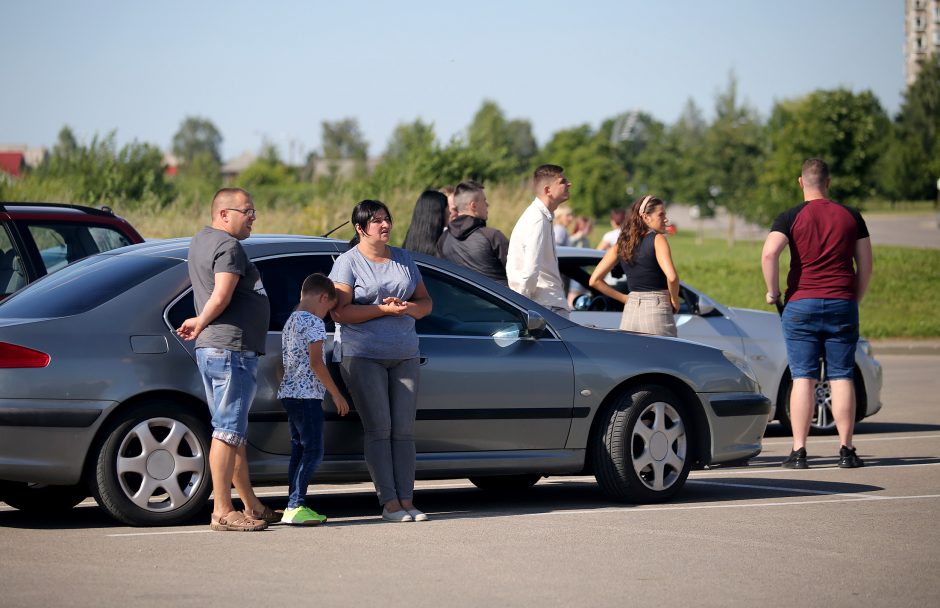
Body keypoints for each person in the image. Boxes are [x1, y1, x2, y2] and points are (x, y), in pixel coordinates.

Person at [176, 187, 279, 532]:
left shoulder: (200, 240)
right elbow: (221, 295)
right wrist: (200, 321)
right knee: (227, 431)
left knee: (233, 430)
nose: (254, 217)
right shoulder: (229, 246)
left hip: (218, 348)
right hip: (230, 348)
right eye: (247, 211)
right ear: (224, 214)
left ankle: (251, 504)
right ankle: (222, 509)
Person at [761, 158, 873, 470]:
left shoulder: (790, 216)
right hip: (841, 302)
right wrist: (854, 298)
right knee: (841, 376)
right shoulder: (851, 216)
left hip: (801, 304)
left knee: (803, 378)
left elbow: (770, 252)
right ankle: (846, 449)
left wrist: (773, 292)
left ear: (801, 182)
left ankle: (799, 451)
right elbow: (866, 265)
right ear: (829, 182)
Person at [329, 200, 433, 522]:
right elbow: (339, 312)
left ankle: (407, 500)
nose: (384, 225)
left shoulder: (403, 258)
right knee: (380, 429)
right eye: (376, 221)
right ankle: (388, 503)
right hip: (363, 356)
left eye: (387, 219)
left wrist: (406, 308)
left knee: (403, 431)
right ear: (360, 229)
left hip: (405, 354)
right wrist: (381, 310)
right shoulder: (348, 263)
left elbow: (426, 303)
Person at [277, 273, 350, 526]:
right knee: (314, 451)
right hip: (308, 396)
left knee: (298, 449)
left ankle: (291, 504)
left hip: (289, 393)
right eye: (328, 309)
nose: (326, 315)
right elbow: (317, 362)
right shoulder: (314, 323)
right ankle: (297, 505)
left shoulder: (291, 320)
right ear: (323, 298)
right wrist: (336, 393)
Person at [588, 195, 680, 337]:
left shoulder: (622, 244)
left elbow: (594, 280)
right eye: (661, 214)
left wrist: (625, 299)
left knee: (631, 358)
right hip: (656, 309)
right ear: (646, 217)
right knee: (665, 357)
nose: (666, 219)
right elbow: (672, 277)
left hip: (630, 312)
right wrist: (674, 301)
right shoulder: (658, 239)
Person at [506, 164, 572, 317]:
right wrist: (522, 306)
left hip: (545, 305)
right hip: (545, 307)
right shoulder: (537, 219)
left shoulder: (541, 216)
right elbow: (530, 271)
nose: (569, 184)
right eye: (562, 181)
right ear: (547, 190)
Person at [436, 180, 510, 284]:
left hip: (460, 300)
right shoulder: (492, 236)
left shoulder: (443, 240)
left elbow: (442, 280)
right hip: (498, 300)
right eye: (484, 200)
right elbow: (517, 275)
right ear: (473, 206)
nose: (487, 204)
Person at [402, 190, 447, 256]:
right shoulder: (443, 251)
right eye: (447, 207)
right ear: (438, 214)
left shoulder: (404, 250)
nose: (450, 212)